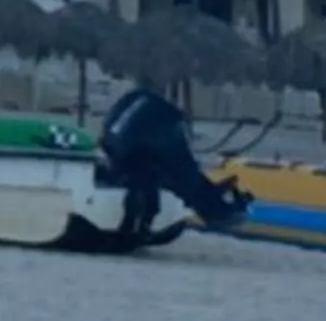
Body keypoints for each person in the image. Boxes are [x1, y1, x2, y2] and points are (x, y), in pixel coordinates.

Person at [98, 85, 253, 241]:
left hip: (120, 147)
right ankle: (214, 210)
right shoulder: (166, 123)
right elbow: (183, 165)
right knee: (171, 178)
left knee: (161, 177)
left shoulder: (146, 105)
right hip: (135, 153)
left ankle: (140, 225)